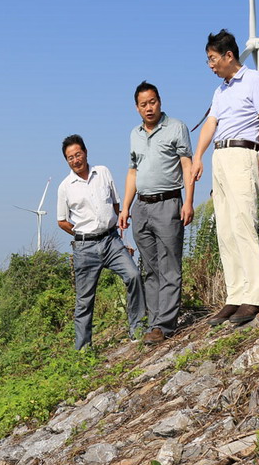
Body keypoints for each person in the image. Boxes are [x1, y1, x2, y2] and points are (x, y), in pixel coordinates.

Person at [192, 29, 259, 326]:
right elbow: (210, 124)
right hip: (220, 156)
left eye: (213, 58)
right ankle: (236, 295)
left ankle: (255, 296)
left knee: (243, 225)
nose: (211, 65)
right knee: (225, 230)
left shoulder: (253, 79)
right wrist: (198, 157)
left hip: (243, 153)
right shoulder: (220, 91)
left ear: (229, 55)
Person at [118, 81, 194, 345]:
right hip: (141, 207)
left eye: (152, 102)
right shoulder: (134, 134)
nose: (148, 108)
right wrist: (125, 207)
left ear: (160, 101)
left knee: (170, 266)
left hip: (168, 202)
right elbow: (133, 172)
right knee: (150, 269)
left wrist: (188, 201)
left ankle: (164, 325)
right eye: (143, 104)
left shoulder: (176, 127)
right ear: (136, 108)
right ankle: (154, 323)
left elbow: (187, 165)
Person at [57, 134, 145, 349]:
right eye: (70, 157)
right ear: (66, 160)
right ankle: (83, 350)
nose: (75, 160)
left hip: (111, 240)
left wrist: (117, 231)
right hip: (85, 247)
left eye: (78, 154)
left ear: (85, 153)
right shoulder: (65, 186)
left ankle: (137, 329)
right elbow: (62, 221)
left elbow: (116, 204)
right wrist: (81, 233)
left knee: (133, 276)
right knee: (85, 300)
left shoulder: (103, 172)